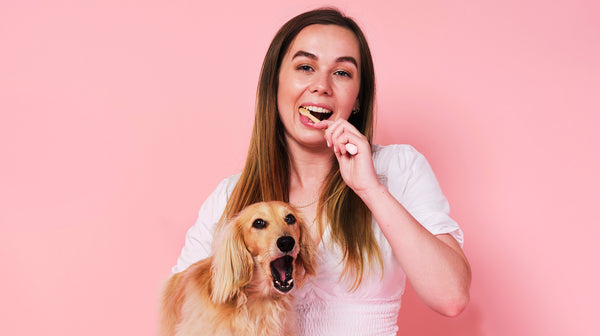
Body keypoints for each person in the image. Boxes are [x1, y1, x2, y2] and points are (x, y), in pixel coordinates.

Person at [172, 7, 471, 335]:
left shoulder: (397, 169)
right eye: (305, 67)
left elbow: (451, 296)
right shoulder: (230, 199)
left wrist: (370, 189)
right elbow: (179, 315)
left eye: (342, 73)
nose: (321, 86)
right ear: (274, 84)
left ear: (357, 98)